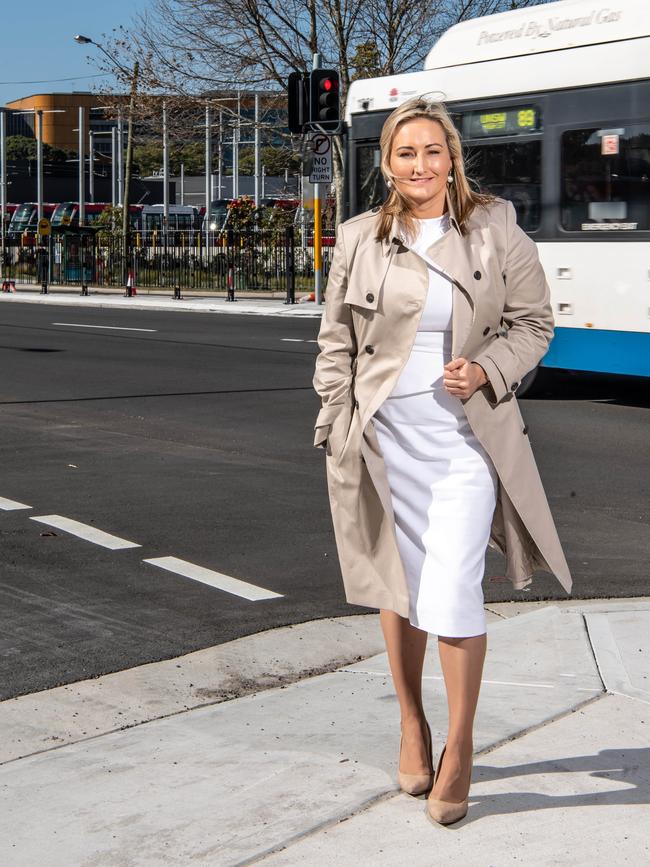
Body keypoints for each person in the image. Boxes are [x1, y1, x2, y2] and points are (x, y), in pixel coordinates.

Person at [312, 97, 572, 826]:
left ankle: (458, 746)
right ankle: (411, 722)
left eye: (433, 150)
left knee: (453, 586)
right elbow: (335, 338)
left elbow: (534, 322)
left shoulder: (494, 228)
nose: (420, 165)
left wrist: (487, 368)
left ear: (452, 157)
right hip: (383, 443)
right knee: (400, 588)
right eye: (405, 153)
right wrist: (335, 417)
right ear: (387, 164)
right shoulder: (362, 236)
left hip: (464, 444)